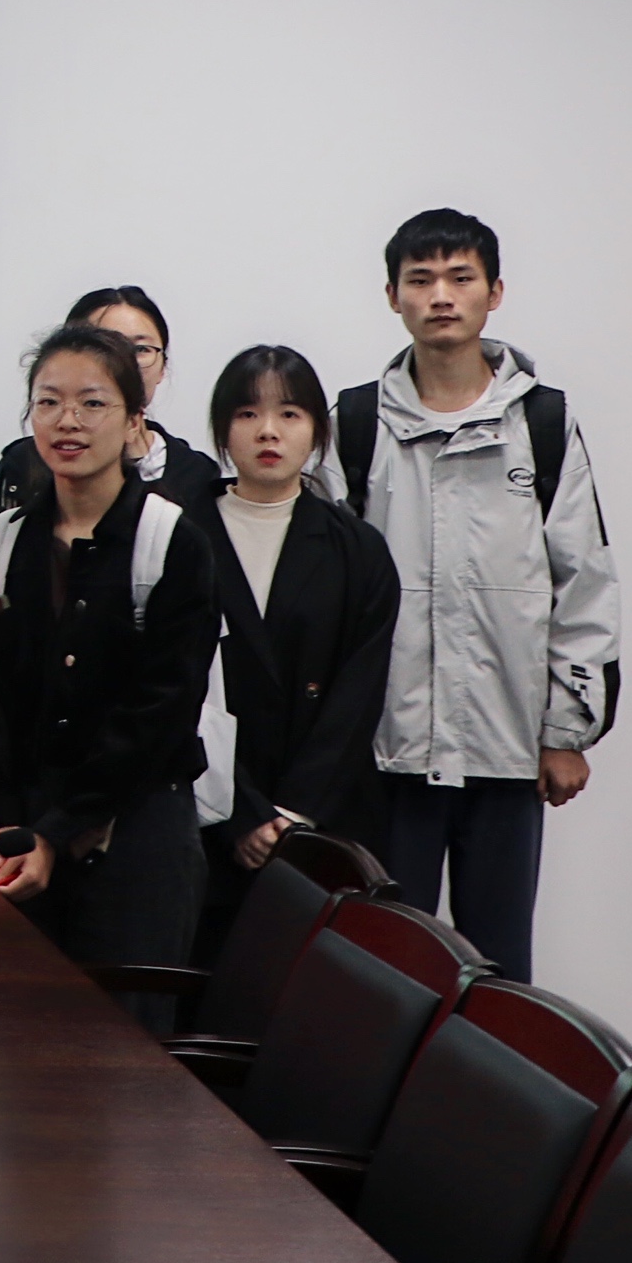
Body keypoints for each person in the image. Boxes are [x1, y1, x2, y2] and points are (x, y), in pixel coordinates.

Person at [342, 208, 620, 984]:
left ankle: (493, 1077)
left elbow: (583, 582)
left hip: (508, 750)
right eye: (421, 279)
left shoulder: (543, 422)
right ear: (392, 296)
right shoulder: (357, 424)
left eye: (460, 277)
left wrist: (566, 732)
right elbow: (330, 592)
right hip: (388, 753)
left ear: (494, 292)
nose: (441, 296)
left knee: (499, 979)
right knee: (384, 971)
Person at [0, 324, 219, 999]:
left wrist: (60, 831)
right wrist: (17, 825)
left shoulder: (171, 541)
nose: (68, 421)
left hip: (137, 835)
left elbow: (161, 709)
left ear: (134, 420)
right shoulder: (3, 540)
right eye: (49, 401)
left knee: (125, 1039)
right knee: (13, 1037)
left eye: (92, 403)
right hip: (20, 835)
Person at [182, 345, 400, 945]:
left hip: (326, 825)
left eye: (290, 414)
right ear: (222, 429)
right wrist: (242, 813)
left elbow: (359, 692)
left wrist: (291, 815)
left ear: (317, 431)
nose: (268, 432)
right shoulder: (178, 534)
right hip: (204, 822)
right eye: (247, 414)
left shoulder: (357, 549)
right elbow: (171, 689)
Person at [0, 285, 222, 512]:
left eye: (141, 349)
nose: (126, 361)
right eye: (105, 345)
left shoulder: (194, 473)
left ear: (163, 367)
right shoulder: (21, 464)